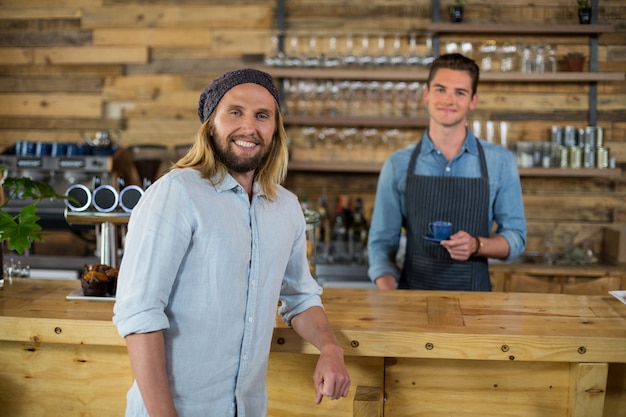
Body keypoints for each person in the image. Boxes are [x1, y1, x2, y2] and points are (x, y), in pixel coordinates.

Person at [113, 68, 350, 417]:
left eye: (262, 116)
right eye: (235, 112)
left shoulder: (286, 208)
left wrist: (331, 348)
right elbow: (140, 315)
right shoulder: (176, 194)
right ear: (211, 124)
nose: (249, 128)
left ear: (275, 130)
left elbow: (299, 297)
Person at [367, 53, 526, 291]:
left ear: (473, 101)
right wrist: (392, 297)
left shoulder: (500, 162)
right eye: (440, 89)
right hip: (412, 302)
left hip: (477, 305)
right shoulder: (397, 164)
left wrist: (476, 245)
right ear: (426, 94)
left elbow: (515, 237)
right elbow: (381, 245)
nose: (448, 100)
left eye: (460, 92)